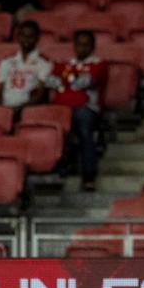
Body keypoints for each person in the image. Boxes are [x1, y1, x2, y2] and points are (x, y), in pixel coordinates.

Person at [49, 29, 109, 191]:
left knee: (84, 129)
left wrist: (66, 80)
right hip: (62, 108)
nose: (82, 48)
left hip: (87, 108)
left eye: (86, 45)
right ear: (74, 46)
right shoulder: (64, 63)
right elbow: (51, 80)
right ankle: (55, 171)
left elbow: (85, 81)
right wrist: (70, 79)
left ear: (92, 46)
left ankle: (88, 176)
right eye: (79, 44)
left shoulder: (99, 64)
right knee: (48, 129)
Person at [0, 20, 51, 118]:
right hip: (4, 109)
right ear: (18, 37)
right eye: (23, 35)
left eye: (30, 36)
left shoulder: (44, 64)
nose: (26, 39)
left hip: (27, 112)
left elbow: (40, 95)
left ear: (37, 38)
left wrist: (19, 111)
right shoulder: (6, 61)